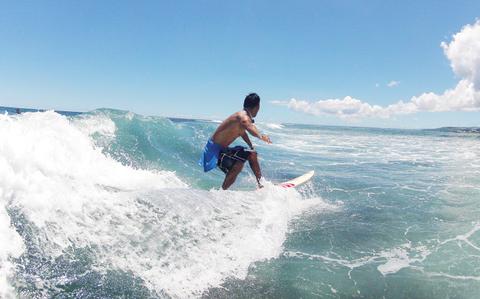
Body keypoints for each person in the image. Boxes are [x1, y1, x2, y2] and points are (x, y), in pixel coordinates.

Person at [199, 93, 272, 190]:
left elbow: (242, 132)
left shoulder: (241, 116)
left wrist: (250, 145)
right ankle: (223, 191)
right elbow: (249, 127)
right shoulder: (243, 117)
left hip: (221, 150)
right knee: (242, 161)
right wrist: (261, 136)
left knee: (248, 156)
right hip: (215, 151)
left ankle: (260, 184)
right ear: (257, 106)